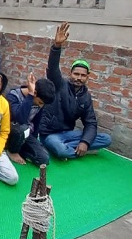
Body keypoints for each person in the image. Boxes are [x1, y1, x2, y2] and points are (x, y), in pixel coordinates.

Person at [39, 22, 112, 159]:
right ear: (70, 73)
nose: (79, 78)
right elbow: (52, 68)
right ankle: (68, 150)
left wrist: (85, 142)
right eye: (76, 74)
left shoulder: (86, 97)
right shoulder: (59, 84)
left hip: (69, 134)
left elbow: (90, 122)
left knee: (106, 139)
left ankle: (73, 148)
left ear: (87, 77)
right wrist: (57, 46)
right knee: (59, 149)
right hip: (50, 134)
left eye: (83, 75)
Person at [6, 72, 54, 166]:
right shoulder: (13, 96)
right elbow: (20, 119)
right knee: (22, 127)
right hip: (11, 133)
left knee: (44, 159)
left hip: (26, 134)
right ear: (35, 93)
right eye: (40, 103)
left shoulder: (40, 101)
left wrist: (34, 142)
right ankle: (12, 151)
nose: (41, 106)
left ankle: (20, 150)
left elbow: (36, 122)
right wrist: (30, 96)